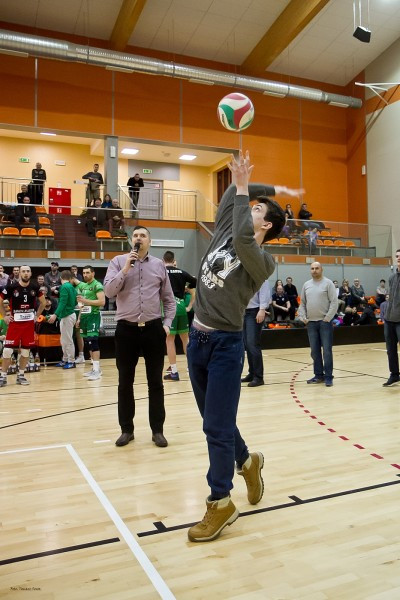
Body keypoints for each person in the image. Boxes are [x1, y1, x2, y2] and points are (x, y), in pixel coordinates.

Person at [186, 149, 302, 543]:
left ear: (266, 225)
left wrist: (242, 188)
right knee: (213, 422)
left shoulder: (263, 261)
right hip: (196, 339)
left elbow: (240, 233)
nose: (247, 208)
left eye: (255, 209)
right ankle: (247, 461)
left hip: (224, 345)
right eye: (249, 205)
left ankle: (220, 503)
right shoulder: (225, 228)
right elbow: (228, 208)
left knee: (215, 428)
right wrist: (246, 178)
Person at [103, 226, 175, 448]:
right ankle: (127, 430)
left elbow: (169, 300)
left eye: (143, 235)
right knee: (125, 382)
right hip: (126, 330)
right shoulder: (117, 261)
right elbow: (108, 292)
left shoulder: (159, 265)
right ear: (131, 240)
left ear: (149, 241)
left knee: (156, 382)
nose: (139, 238)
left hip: (153, 329)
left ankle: (158, 431)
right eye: (135, 235)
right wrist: (126, 268)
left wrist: (166, 325)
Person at [0, 265, 46, 387]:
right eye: (23, 271)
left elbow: (43, 302)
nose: (26, 273)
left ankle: (21, 375)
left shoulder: (35, 287)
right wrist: (4, 315)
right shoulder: (11, 287)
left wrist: (37, 315)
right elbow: (0, 300)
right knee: (7, 350)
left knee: (26, 351)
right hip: (15, 324)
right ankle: (3, 376)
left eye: (28, 271)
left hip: (28, 325)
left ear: (31, 273)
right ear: (19, 273)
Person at [298, 262, 337, 387]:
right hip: (311, 324)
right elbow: (302, 303)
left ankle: (328, 376)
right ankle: (318, 375)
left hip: (325, 323)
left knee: (326, 351)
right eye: (312, 268)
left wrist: (327, 318)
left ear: (322, 269)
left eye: (317, 268)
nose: (314, 270)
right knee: (314, 351)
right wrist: (303, 317)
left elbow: (334, 302)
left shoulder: (328, 283)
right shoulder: (306, 285)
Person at [162, 251, 196, 381]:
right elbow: (195, 281)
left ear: (163, 260)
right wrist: (187, 287)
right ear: (173, 260)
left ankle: (174, 372)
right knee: (185, 339)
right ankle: (191, 369)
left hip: (169, 306)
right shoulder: (181, 272)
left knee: (169, 340)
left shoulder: (161, 272)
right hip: (181, 305)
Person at [76, 266, 105, 380]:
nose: (85, 275)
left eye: (87, 272)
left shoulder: (97, 285)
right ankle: (94, 368)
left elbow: (102, 302)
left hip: (93, 316)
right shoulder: (84, 286)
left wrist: (85, 301)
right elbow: (82, 305)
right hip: (84, 317)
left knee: (93, 341)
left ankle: (97, 370)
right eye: (83, 273)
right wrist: (79, 318)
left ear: (93, 273)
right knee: (88, 342)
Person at [241, 279, 271, 388]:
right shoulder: (242, 275)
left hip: (255, 311)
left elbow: (264, 292)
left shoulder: (260, 274)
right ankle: (252, 373)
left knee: (253, 344)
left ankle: (259, 377)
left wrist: (262, 309)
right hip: (243, 311)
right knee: (247, 344)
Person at [47, 270, 77, 369]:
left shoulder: (64, 287)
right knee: (63, 340)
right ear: (70, 278)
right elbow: (76, 300)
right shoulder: (72, 287)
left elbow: (62, 303)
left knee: (67, 340)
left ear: (60, 278)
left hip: (67, 315)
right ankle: (65, 359)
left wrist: (55, 314)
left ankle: (71, 361)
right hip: (69, 314)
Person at [382, 249, 400, 387]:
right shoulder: (392, 277)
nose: (398, 258)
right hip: (389, 319)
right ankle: (394, 375)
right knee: (391, 350)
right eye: (397, 256)